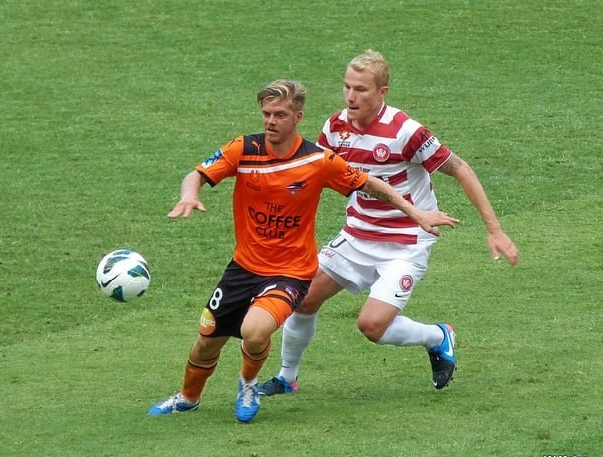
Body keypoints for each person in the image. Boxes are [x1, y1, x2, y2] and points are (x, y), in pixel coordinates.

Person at [147, 79, 458, 423]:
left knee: (255, 331)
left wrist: (416, 213)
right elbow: (198, 174)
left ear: (297, 117)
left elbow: (369, 184)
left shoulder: (318, 160)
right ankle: (188, 398)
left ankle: (248, 384)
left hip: (290, 273)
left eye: (279, 114)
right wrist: (189, 194)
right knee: (206, 341)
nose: (270, 121)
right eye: (266, 113)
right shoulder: (243, 149)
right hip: (242, 269)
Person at [258, 50, 519, 397]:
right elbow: (315, 175)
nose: (351, 97)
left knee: (372, 325)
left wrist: (495, 230)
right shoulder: (335, 128)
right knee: (302, 299)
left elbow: (460, 168)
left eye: (361, 90)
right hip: (357, 235)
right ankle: (287, 377)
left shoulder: (406, 132)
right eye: (347, 87)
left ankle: (439, 336)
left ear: (382, 92)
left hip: (407, 241)